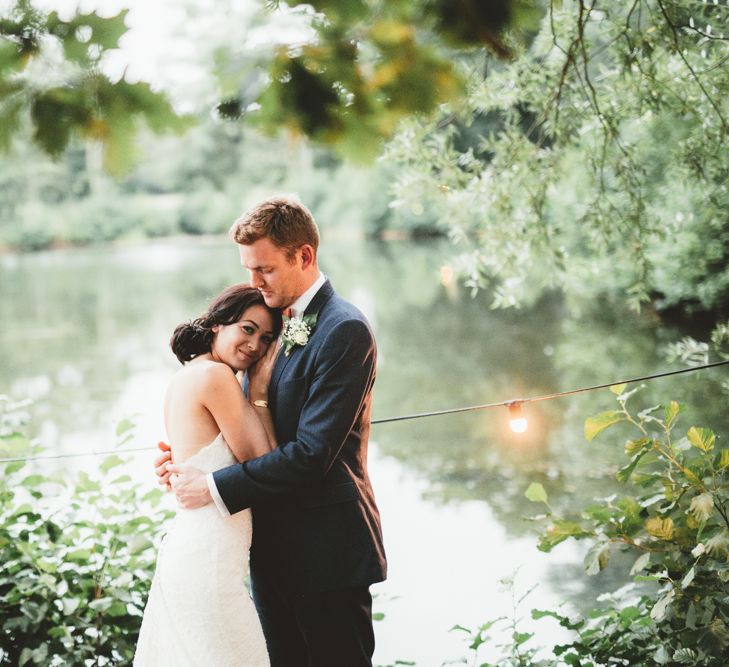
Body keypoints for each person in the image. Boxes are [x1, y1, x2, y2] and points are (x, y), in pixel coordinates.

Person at [157, 195, 387, 667]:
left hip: (325, 550)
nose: (253, 282)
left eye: (263, 269)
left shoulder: (344, 329)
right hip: (268, 550)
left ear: (303, 256)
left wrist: (213, 485)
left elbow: (311, 453)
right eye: (248, 269)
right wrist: (188, 458)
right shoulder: (266, 323)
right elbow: (241, 418)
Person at [134, 284, 282, 667]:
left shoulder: (190, 373)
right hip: (209, 557)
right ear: (218, 324)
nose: (256, 346)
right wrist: (261, 390)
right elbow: (265, 458)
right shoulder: (217, 378)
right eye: (247, 329)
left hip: (196, 549)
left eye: (266, 338)